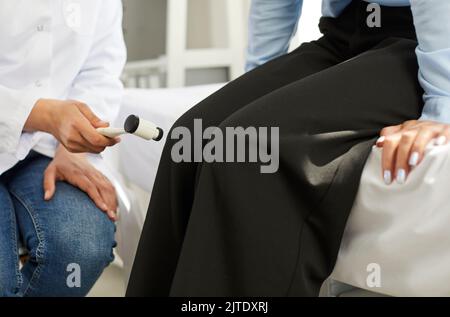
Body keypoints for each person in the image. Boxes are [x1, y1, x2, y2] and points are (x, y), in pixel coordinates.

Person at [127, 0, 450, 296]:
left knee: (249, 148)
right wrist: (258, 85)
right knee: (192, 138)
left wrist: (442, 106)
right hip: (344, 34)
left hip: (424, 39)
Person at [0, 0, 126, 297]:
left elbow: (100, 70)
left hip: (46, 148)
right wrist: (43, 114)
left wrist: (75, 147)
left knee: (81, 248)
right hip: (39, 127)